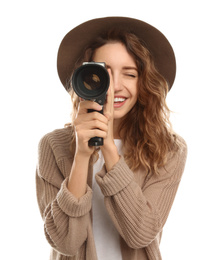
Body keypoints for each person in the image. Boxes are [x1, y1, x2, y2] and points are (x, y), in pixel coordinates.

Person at [36, 17, 187, 260]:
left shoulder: (168, 148)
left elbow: (141, 234)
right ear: (85, 79)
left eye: (129, 74)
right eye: (102, 74)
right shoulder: (53, 146)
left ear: (143, 82)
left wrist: (108, 147)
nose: (114, 86)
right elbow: (64, 242)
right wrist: (81, 156)